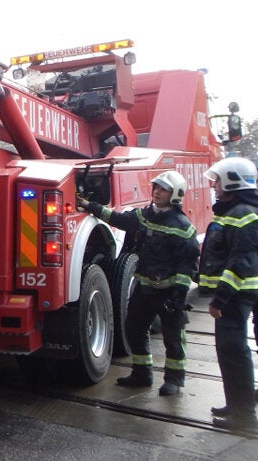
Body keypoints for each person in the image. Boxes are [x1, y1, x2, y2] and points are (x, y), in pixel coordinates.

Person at [77, 171, 199, 396]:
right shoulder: (146, 215)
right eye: (156, 187)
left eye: (163, 189)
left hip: (169, 292)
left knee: (173, 337)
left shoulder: (181, 226)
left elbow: (187, 264)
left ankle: (174, 380)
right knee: (134, 328)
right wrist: (91, 206)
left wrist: (179, 296)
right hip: (145, 288)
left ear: (175, 195)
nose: (157, 192)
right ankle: (142, 374)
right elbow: (120, 220)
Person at [198, 157, 258, 433]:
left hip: (236, 296)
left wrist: (219, 299)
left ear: (232, 181)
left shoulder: (242, 214)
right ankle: (237, 405)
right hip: (240, 294)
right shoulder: (236, 212)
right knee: (234, 351)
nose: (214, 186)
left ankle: (243, 415)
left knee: (233, 351)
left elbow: (240, 262)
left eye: (218, 181)